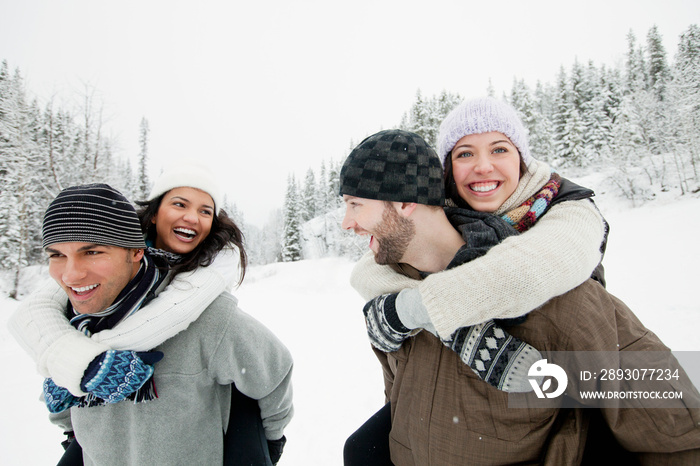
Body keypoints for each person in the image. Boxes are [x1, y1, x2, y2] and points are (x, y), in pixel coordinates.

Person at [339, 129, 700, 465]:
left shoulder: (555, 300)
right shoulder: (391, 305)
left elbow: (678, 428)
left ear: (404, 203)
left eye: (355, 204)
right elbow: (399, 403)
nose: (346, 222)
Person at [10, 182, 293, 465]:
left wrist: (265, 442)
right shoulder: (69, 322)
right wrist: (74, 432)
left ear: (136, 252)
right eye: (57, 255)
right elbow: (60, 393)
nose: (70, 276)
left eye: (92, 252)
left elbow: (272, 371)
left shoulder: (209, 318)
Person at [350, 97, 608, 341]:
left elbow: (527, 273)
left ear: (521, 159)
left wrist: (408, 312)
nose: (483, 167)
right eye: (465, 154)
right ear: (448, 168)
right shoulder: (442, 213)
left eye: (499, 149)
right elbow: (367, 271)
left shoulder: (570, 207)